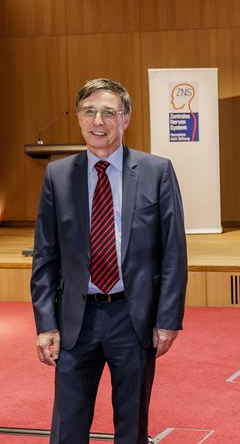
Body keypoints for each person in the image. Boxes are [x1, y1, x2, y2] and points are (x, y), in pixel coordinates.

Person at [31, 78, 188, 443]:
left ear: (126, 118)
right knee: (67, 426)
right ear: (79, 118)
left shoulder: (156, 171)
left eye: (108, 113)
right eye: (89, 112)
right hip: (75, 319)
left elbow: (173, 253)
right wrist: (45, 323)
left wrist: (167, 319)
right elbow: (45, 255)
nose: (98, 121)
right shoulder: (58, 175)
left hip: (131, 318)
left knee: (131, 425)